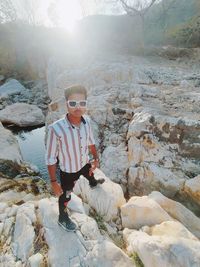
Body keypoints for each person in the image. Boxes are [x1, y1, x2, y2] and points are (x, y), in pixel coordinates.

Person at [45, 85, 105, 232]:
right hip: (68, 172)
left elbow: (91, 142)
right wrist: (54, 181)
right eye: (73, 103)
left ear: (85, 104)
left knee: (89, 173)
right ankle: (63, 218)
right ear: (66, 104)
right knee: (66, 196)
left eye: (82, 103)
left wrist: (95, 158)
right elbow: (50, 158)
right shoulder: (55, 129)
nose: (78, 107)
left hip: (84, 163)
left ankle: (92, 183)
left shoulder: (87, 122)